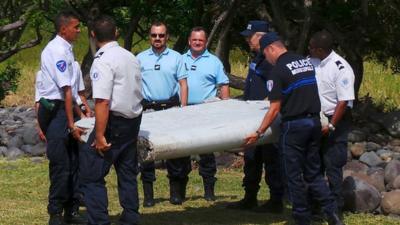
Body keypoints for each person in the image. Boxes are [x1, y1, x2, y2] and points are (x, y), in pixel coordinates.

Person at [243, 32, 343, 225]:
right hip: (314, 123)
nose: (267, 60)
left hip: (294, 127)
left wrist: (258, 133)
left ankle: (301, 218)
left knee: (293, 176)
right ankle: (333, 215)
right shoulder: (305, 62)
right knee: (314, 174)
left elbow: (274, 110)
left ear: (271, 48)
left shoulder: (277, 70)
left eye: (265, 54)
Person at [79, 15, 143, 225]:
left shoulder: (103, 60)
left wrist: (99, 135)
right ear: (116, 33)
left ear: (93, 35)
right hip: (132, 120)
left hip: (113, 124)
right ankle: (131, 216)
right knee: (126, 171)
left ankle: (98, 220)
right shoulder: (130, 56)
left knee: (91, 174)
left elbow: (103, 101)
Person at [227, 20, 284, 213]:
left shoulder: (270, 62)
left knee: (271, 161)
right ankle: (249, 197)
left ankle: (276, 200)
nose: (247, 40)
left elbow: (274, 93)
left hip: (265, 119)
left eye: (249, 36)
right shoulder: (257, 58)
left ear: (260, 37)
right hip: (250, 118)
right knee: (251, 160)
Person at [37, 10, 86, 225]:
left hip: (65, 108)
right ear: (63, 29)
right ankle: (55, 212)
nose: (79, 30)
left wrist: (81, 113)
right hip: (56, 111)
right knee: (61, 164)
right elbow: (65, 91)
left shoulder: (68, 50)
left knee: (74, 161)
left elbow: (74, 93)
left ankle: (72, 209)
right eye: (75, 27)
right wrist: (70, 123)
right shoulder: (56, 50)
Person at [174, 26, 230, 203]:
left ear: (206, 42)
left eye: (201, 40)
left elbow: (224, 85)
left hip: (205, 111)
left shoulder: (214, 62)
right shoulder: (179, 59)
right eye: (194, 39)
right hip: (183, 110)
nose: (197, 42)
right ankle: (178, 192)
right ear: (189, 41)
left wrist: (227, 109)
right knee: (180, 152)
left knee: (206, 154)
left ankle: (209, 190)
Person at [136, 21, 188, 207]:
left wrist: (183, 108)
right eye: (154, 35)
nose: (157, 38)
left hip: (171, 108)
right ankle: (149, 196)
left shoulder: (177, 57)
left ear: (167, 37)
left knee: (173, 153)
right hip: (149, 109)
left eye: (161, 35)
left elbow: (183, 84)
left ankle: (175, 193)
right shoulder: (140, 58)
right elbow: (134, 85)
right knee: (147, 153)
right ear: (150, 36)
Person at [309, 30, 355, 212]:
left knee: (333, 166)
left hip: (334, 120)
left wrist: (331, 125)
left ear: (320, 50)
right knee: (314, 165)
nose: (308, 50)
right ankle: (315, 205)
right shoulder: (311, 61)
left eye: (311, 47)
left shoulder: (341, 68)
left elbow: (343, 102)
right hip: (314, 117)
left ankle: (335, 209)